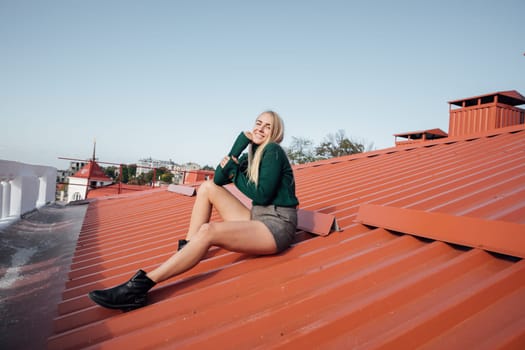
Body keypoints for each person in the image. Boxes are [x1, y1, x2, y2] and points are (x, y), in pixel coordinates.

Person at [88, 111, 299, 311]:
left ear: (275, 132)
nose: (261, 129)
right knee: (207, 187)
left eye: (267, 126)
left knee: (209, 230)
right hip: (258, 218)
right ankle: (187, 250)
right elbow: (218, 179)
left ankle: (139, 288)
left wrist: (234, 171)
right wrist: (239, 145)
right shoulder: (252, 154)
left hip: (276, 226)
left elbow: (261, 195)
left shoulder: (273, 151)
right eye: (258, 123)